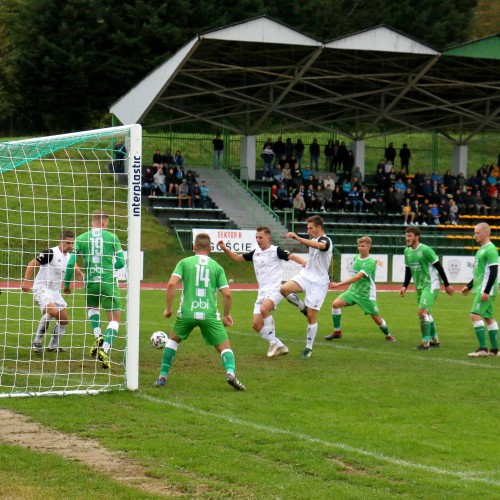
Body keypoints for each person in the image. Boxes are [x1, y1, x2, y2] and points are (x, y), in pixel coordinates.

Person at [154, 233, 245, 390]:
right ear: (210, 248)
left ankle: (162, 377)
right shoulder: (217, 267)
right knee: (224, 347)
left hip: (187, 312)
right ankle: (230, 373)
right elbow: (227, 294)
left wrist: (168, 309)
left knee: (173, 340)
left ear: (193, 247)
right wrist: (226, 314)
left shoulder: (184, 262)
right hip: (209, 313)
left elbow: (171, 285)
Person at [218, 227, 307, 358]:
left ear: (268, 238)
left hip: (275, 289)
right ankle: (280, 345)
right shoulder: (255, 253)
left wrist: (304, 262)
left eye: (261, 237)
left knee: (265, 309)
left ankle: (272, 343)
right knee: (256, 324)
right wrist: (225, 248)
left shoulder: (275, 250)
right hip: (262, 292)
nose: (258, 240)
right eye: (257, 237)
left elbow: (291, 256)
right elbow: (237, 258)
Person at [64, 210, 125, 369]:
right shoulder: (112, 237)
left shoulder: (81, 238)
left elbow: (71, 264)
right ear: (104, 223)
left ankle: (98, 335)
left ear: (93, 222)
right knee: (114, 319)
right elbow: (121, 264)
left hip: (90, 281)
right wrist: (109, 266)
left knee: (92, 308)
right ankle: (104, 350)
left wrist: (66, 284)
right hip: (107, 281)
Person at [22, 230, 83, 354]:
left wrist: (86, 282)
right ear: (60, 242)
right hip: (42, 289)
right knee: (52, 311)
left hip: (55, 292)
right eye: (67, 243)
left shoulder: (71, 258)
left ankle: (53, 346)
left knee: (64, 320)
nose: (70, 246)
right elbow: (32, 264)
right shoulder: (50, 253)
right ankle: (37, 342)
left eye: (72, 243)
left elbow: (77, 272)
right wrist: (26, 281)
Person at [280, 215, 333, 359]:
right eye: (307, 228)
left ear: (318, 228)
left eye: (310, 228)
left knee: (311, 315)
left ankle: (308, 348)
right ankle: (301, 306)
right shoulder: (314, 240)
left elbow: (320, 246)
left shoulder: (325, 240)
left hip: (319, 283)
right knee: (283, 289)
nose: (308, 231)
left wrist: (298, 238)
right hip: (305, 276)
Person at [325, 236, 395, 342]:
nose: (360, 248)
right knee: (335, 304)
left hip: (366, 294)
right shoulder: (356, 258)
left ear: (368, 247)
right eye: (359, 246)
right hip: (353, 291)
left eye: (363, 246)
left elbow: (357, 277)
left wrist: (338, 284)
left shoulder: (370, 262)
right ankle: (337, 332)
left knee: (376, 318)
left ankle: (388, 335)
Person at [399, 226, 454, 350]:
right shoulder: (407, 251)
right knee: (426, 312)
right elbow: (408, 270)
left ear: (417, 237)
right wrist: (404, 286)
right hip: (419, 287)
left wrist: (447, 284)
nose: (407, 238)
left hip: (431, 285)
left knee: (422, 312)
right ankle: (435, 340)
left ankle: (425, 343)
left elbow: (439, 266)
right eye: (406, 236)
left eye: (410, 236)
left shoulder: (426, 250)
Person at [461, 223, 499, 357]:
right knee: (489, 318)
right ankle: (495, 350)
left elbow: (494, 272)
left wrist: (486, 291)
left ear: (485, 233)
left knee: (474, 314)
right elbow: (480, 272)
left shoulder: (491, 249)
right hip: (480, 288)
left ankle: (483, 349)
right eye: (475, 232)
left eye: (477, 233)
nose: (475, 235)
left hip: (486, 289)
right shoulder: (480, 250)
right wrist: (469, 286)